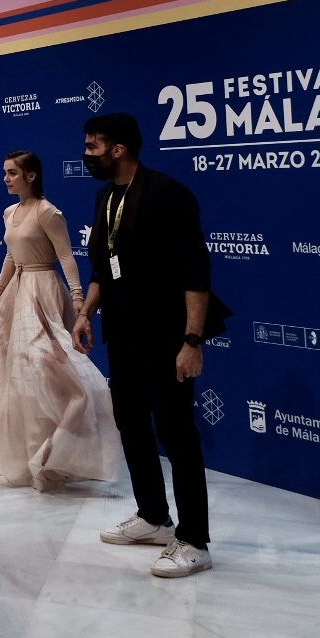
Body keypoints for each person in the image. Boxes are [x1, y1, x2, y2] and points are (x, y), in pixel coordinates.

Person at [71, 113, 215, 578]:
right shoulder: (105, 195)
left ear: (119, 149)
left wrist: (192, 340)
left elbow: (196, 273)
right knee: (131, 424)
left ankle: (194, 538)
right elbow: (103, 266)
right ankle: (153, 517)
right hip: (124, 334)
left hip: (169, 335)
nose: (87, 154)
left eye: (94, 146)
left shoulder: (169, 195)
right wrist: (85, 313)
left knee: (177, 433)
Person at [0, 151, 118, 490]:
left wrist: (78, 299)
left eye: (13, 173)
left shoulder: (48, 213)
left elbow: (66, 256)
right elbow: (10, 255)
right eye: (4, 173)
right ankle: (27, 452)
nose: (6, 178)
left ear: (31, 176)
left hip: (43, 291)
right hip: (17, 292)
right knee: (16, 374)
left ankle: (56, 451)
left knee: (47, 367)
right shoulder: (9, 212)